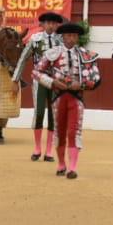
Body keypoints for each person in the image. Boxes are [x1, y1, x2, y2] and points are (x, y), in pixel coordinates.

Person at [33, 21, 102, 179]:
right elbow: (36, 73)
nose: (71, 38)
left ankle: (72, 167)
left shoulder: (86, 55)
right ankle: (61, 164)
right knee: (59, 131)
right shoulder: (52, 53)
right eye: (68, 35)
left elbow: (96, 78)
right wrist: (52, 82)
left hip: (76, 98)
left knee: (73, 131)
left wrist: (82, 84)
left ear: (77, 38)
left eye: (74, 36)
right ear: (63, 37)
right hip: (58, 97)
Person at [15, 10, 65, 162]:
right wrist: (15, 78)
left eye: (53, 23)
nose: (50, 26)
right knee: (39, 113)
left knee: (53, 114)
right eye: (48, 23)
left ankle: (49, 151)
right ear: (42, 24)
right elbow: (23, 58)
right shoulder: (35, 39)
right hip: (39, 79)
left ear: (57, 25)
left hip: (55, 80)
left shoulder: (61, 40)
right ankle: (37, 148)